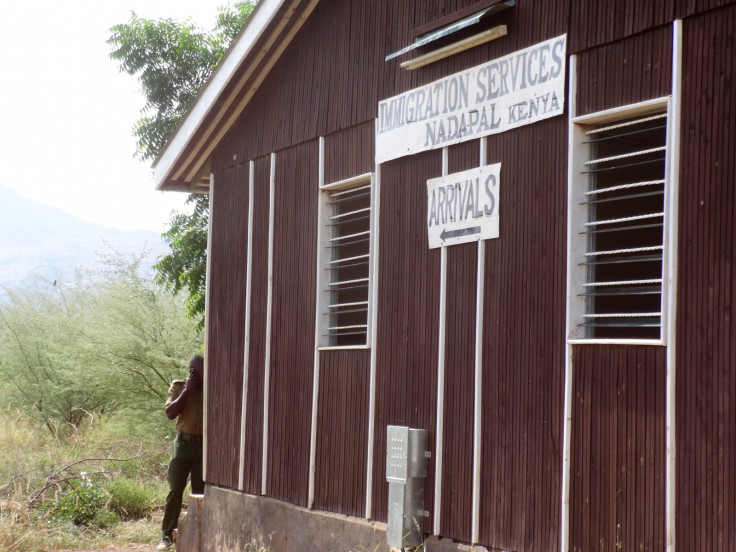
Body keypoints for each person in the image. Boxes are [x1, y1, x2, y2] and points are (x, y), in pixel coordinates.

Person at [158, 355, 205, 550]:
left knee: (200, 493)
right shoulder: (179, 386)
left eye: (200, 371)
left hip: (203, 446)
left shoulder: (214, 387)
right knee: (175, 490)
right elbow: (170, 413)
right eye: (193, 371)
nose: (197, 375)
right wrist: (188, 390)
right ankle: (167, 536)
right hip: (182, 444)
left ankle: (199, 535)